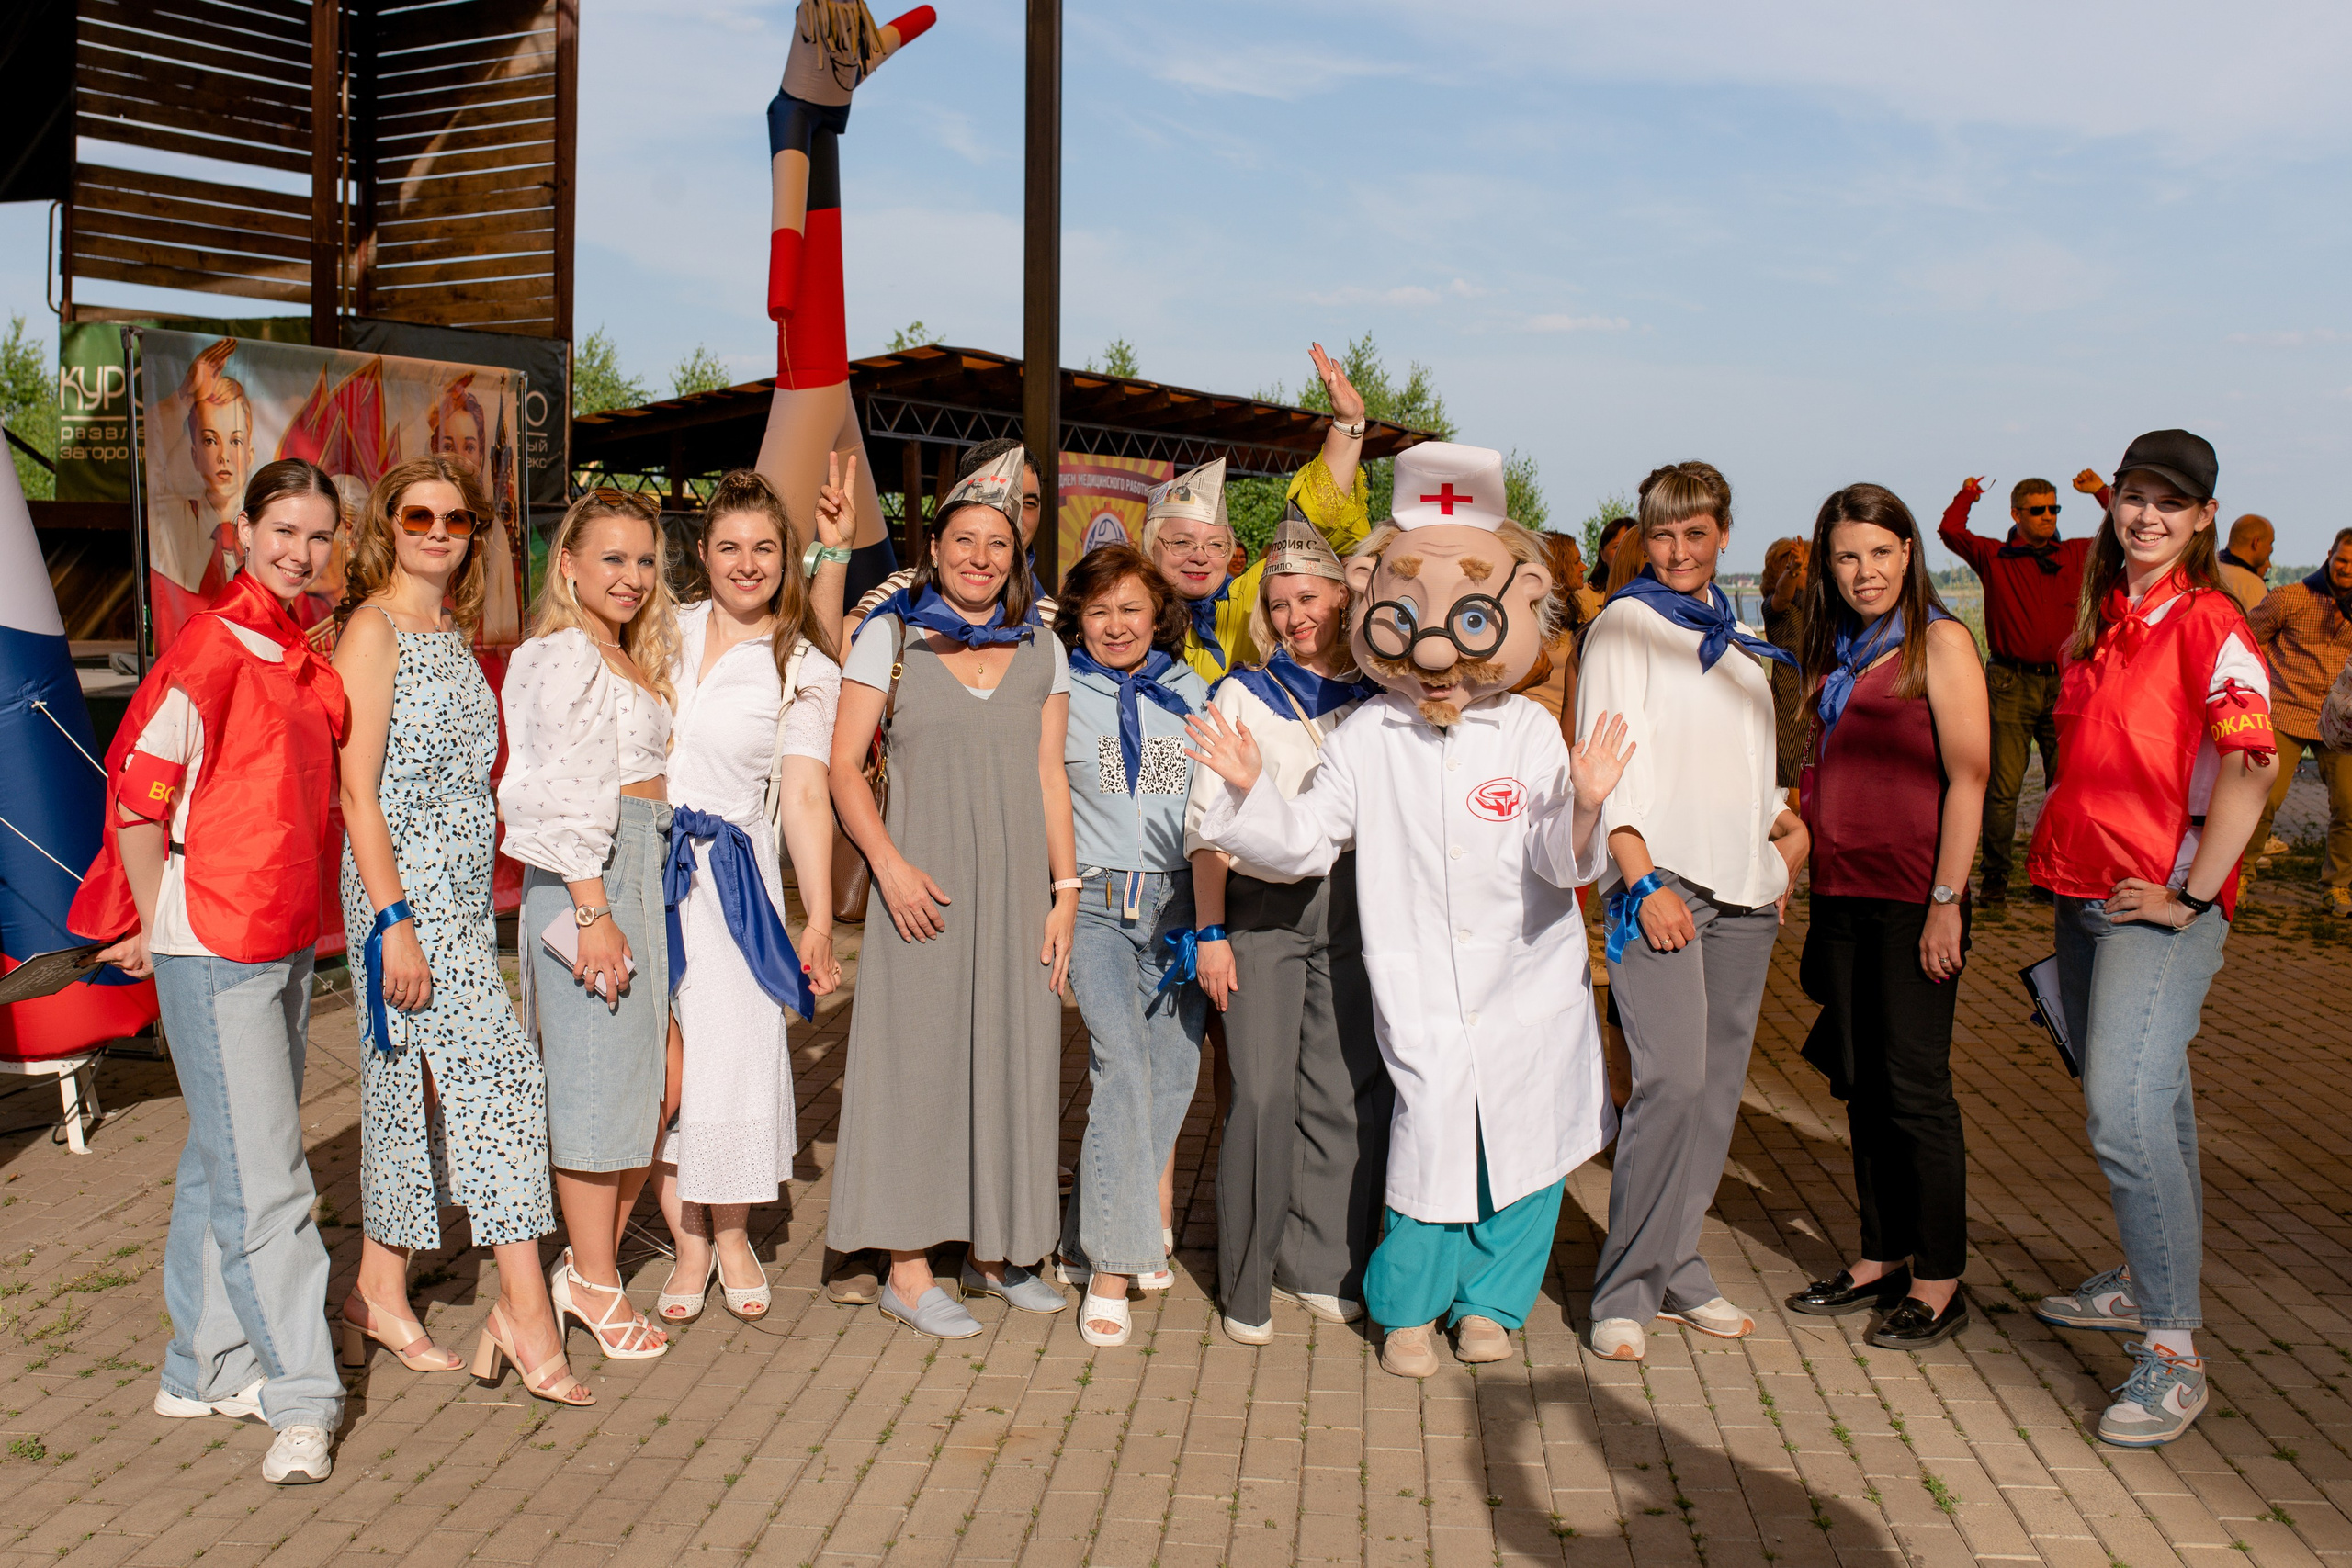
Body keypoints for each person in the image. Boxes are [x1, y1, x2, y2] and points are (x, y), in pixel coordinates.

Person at [1188, 442, 1631, 1378]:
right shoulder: (1365, 735)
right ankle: (1406, 1310)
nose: (1436, 653)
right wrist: (1245, 792)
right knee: (1432, 1138)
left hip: (1525, 979)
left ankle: (1491, 1308)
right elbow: (1306, 840)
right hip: (1422, 981)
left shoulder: (1529, 731)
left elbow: (1562, 860)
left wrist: (1586, 803)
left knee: (1524, 1144)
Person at [72, 459, 351, 1483]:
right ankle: (303, 1399)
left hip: (272, 938)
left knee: (224, 1154)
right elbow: (140, 797)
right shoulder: (211, 648)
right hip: (215, 940)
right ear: (241, 530)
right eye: (284, 530)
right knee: (269, 1179)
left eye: (319, 536)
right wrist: (152, 921)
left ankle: (198, 1366)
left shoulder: (284, 645)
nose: (301, 552)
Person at [2027, 429, 2277, 1448]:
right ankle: (2142, 1281)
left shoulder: (2210, 621)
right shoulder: (2106, 618)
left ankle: (2172, 1353)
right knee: (2154, 1101)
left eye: (2171, 503)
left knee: (2121, 1115)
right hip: (2081, 892)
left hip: (2155, 903)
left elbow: (2252, 765)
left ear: (2203, 518)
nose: (2147, 516)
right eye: (2135, 495)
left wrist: (2193, 891)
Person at [330, 457, 582, 1403]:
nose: (438, 530)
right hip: (404, 899)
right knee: (507, 1080)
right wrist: (394, 920)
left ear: (477, 533)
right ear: (387, 527)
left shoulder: (449, 627)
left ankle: (377, 1292)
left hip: (463, 897)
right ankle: (525, 1311)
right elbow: (358, 793)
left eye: (458, 519)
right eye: (419, 515)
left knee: (406, 1088)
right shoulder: (373, 627)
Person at [825, 446, 1079, 1338]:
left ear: (1016, 557)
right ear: (934, 549)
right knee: (917, 1066)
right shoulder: (887, 639)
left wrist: (1066, 890)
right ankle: (904, 1267)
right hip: (920, 891)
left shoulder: (1043, 646)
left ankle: (996, 1252)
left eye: (997, 544)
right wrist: (889, 865)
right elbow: (844, 769)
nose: (979, 556)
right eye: (964, 540)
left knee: (1013, 1060)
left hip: (1018, 894)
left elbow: (1052, 778)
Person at [1575, 459, 1810, 1363]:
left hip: (1746, 891)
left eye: (1695, 532)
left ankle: (1676, 1265)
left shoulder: (1739, 634)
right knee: (1667, 1085)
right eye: (1662, 534)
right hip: (1661, 885)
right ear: (1643, 538)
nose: (1678, 550)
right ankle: (1625, 1289)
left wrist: (1786, 834)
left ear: (1722, 534)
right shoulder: (1626, 627)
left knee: (1712, 1097)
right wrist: (1639, 879)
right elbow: (1604, 768)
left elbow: (1751, 772)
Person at [1783, 484, 1988, 1350]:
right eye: (1845, 556)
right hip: (1842, 893)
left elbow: (1970, 779)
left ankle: (1940, 1278)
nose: (1863, 571)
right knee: (1862, 1086)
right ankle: (1879, 1258)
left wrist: (1947, 902)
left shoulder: (1936, 641)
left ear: (1908, 551)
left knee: (1914, 1092)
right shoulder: (1837, 648)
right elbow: (1821, 772)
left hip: (1914, 898)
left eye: (1877, 551)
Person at [1185, 509, 1390, 1347]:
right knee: (1263, 1093)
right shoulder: (1239, 693)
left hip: (1355, 909)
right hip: (1261, 913)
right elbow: (1203, 826)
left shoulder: (1379, 701)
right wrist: (1208, 931)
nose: (1293, 617)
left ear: (1343, 597)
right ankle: (1247, 1280)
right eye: (1278, 605)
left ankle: (1324, 1266)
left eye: (1307, 599)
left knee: (1343, 1091)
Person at [651, 466, 851, 1325]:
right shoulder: (657, 628)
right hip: (641, 869)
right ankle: (683, 1235)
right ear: (702, 552)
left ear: (787, 558)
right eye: (728, 546)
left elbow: (807, 795)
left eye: (763, 548)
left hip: (734, 884)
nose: (745, 563)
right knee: (658, 1064)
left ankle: (726, 1235)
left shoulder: (803, 664)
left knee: (731, 1060)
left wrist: (815, 923)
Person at [499, 489, 681, 1365]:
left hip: (640, 867)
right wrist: (591, 907)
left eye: (644, 560)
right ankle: (596, 1282)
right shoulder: (562, 652)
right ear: (567, 563)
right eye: (612, 558)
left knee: (652, 1087)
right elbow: (556, 789)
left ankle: (584, 1269)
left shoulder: (625, 649)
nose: (632, 577)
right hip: (593, 874)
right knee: (594, 1092)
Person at [1048, 545, 1209, 1346]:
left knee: (1175, 1071)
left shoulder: (1195, 691)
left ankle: (1092, 1234)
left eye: (1131, 609)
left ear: (1158, 615)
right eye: (1099, 609)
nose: (1116, 625)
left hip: (1178, 904)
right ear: (1078, 615)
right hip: (1099, 903)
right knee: (1121, 1061)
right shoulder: (1058, 689)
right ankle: (1113, 1267)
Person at [1145, 344, 1374, 681]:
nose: (1200, 557)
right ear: (1151, 548)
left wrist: (1347, 425)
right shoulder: (1127, 616)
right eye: (1182, 542)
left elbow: (1311, 523)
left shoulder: (1252, 598)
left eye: (1215, 545)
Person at [1937, 475, 2093, 906]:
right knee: (2003, 786)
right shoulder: (1995, 556)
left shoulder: (2075, 553)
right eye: (2038, 510)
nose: (2048, 518)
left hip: (2064, 683)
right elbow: (1950, 531)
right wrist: (1967, 493)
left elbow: (2120, 534)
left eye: (2054, 509)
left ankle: (2052, 877)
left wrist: (2100, 490)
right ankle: (1995, 881)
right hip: (2010, 681)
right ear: (2017, 515)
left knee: (2065, 784)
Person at [2244, 528, 2352, 914]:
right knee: (2262, 799)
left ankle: (2337, 886)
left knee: (2349, 807)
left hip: (2340, 721)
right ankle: (2238, 876)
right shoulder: (2290, 597)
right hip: (2285, 711)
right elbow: (2245, 640)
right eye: (2342, 559)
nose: (2346, 568)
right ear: (2330, 554)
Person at [849, 439, 1055, 634]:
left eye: (1028, 503)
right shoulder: (903, 591)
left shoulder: (1052, 618)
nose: (1012, 514)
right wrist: (836, 554)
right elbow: (835, 651)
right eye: (996, 496)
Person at [1760, 536, 1811, 795]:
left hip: (1815, 711)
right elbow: (1784, 594)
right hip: (1791, 710)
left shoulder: (1815, 608)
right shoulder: (1776, 608)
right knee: (1791, 790)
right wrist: (1794, 571)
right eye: (1805, 568)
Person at [2218, 513, 2274, 615]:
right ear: (2256, 542)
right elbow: (2257, 629)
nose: (2271, 549)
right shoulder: (2252, 586)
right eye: (2270, 543)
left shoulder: (2206, 568)